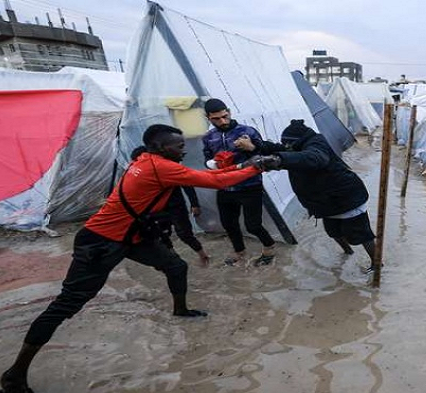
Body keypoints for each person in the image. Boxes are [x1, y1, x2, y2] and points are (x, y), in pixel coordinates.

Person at [0, 125, 264, 393]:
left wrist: (247, 165)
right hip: (101, 241)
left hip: (131, 237)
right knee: (67, 304)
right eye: (178, 145)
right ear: (160, 148)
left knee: (176, 267)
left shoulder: (147, 160)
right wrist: (256, 168)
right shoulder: (160, 167)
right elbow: (214, 181)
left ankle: (181, 310)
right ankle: (14, 376)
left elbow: (208, 175)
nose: (183, 149)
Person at [234, 120, 376, 272]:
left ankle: (376, 263)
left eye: (288, 145)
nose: (287, 148)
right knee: (333, 232)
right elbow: (279, 148)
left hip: (346, 199)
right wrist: (255, 147)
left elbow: (313, 158)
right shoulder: (297, 145)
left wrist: (279, 160)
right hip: (325, 203)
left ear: (297, 142)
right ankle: (348, 252)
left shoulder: (317, 145)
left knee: (362, 235)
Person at [202, 98, 276, 267]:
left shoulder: (247, 131)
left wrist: (251, 148)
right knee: (228, 223)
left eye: (225, 116)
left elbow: (266, 155)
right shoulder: (209, 137)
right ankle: (239, 251)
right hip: (224, 186)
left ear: (229, 112)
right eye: (216, 119)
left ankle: (269, 247)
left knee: (253, 225)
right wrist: (212, 164)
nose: (222, 121)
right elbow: (207, 157)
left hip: (249, 185)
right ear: (208, 118)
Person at [130, 146, 209, 266]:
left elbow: (187, 184)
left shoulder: (167, 167)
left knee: (185, 234)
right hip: (157, 210)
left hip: (176, 207)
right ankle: (174, 259)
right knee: (162, 236)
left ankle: (202, 255)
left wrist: (194, 204)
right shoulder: (139, 174)